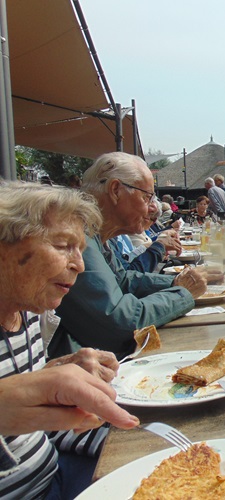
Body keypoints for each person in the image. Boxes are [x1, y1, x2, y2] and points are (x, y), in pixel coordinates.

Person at [0, 181, 139, 499]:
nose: (80, 264)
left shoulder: (30, 311)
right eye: (63, 246)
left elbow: (30, 422)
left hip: (56, 471)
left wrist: (52, 375)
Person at [50, 152, 207, 359]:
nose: (153, 207)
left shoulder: (95, 234)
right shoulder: (77, 236)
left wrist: (175, 281)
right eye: (147, 197)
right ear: (115, 190)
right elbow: (119, 323)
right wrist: (182, 293)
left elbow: (123, 279)